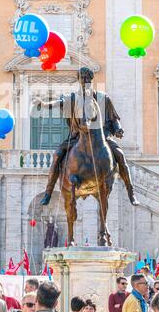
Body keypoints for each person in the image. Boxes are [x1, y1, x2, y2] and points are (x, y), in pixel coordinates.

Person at [38, 67, 139, 207]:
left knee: (120, 156)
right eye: (82, 78)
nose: (85, 81)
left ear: (91, 80)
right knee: (57, 155)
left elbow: (114, 117)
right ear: (79, 80)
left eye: (87, 79)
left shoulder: (103, 98)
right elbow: (58, 103)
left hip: (102, 137)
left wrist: (118, 129)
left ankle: (130, 191)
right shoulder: (73, 98)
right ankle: (48, 192)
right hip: (77, 137)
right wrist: (44, 104)